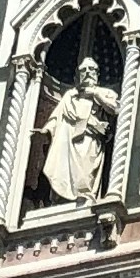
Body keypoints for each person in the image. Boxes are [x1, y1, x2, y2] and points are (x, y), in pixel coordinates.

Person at [39, 71, 117, 210]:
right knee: (61, 168)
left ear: (98, 76)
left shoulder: (104, 93)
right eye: (83, 70)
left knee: (86, 168)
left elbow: (115, 109)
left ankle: (85, 194)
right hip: (68, 139)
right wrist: (46, 130)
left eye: (91, 70)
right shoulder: (70, 95)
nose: (87, 73)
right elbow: (57, 117)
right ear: (76, 77)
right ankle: (60, 198)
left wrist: (95, 94)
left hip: (90, 138)